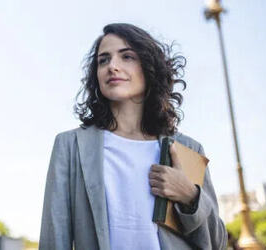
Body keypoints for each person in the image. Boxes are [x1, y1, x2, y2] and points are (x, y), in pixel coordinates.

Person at [39, 23, 227, 250]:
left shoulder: (186, 148)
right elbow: (54, 238)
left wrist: (190, 196)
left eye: (127, 56)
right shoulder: (70, 146)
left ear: (149, 67)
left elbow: (216, 243)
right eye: (103, 60)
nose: (113, 66)